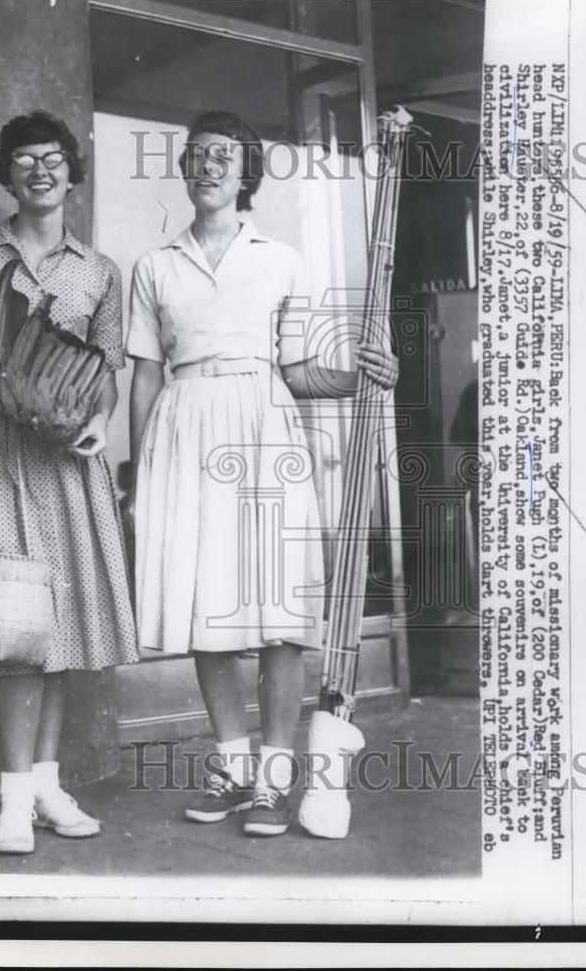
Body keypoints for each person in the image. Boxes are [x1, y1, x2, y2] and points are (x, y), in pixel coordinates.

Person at [126, 110, 397, 837]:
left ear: (247, 173)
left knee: (278, 609)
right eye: (197, 155)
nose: (209, 166)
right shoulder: (155, 266)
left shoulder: (280, 258)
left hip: (263, 424)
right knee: (206, 607)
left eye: (224, 156)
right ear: (184, 170)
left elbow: (301, 370)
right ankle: (234, 769)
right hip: (184, 434)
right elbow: (146, 378)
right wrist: (138, 473)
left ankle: (276, 779)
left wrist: (360, 375)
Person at [0, 110, 138, 854]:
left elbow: (107, 371)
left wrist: (101, 423)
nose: (40, 170)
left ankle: (46, 782)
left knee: (62, 621)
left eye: (53, 159)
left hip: (64, 459)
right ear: (6, 174)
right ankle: (13, 798)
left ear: (72, 174)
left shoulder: (100, 271)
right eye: (24, 160)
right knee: (11, 620)